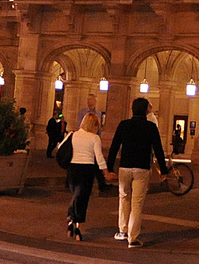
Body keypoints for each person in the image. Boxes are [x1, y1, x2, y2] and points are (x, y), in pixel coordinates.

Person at [107, 97, 169, 247]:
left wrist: (109, 168)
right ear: (146, 110)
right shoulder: (150, 127)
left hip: (125, 167)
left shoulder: (124, 125)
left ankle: (122, 230)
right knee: (137, 203)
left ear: (132, 109)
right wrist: (163, 170)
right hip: (142, 168)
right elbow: (158, 150)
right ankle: (132, 238)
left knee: (124, 198)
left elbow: (114, 147)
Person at [63, 112, 113, 241]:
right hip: (87, 169)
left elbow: (60, 147)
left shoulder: (73, 134)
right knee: (82, 198)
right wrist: (105, 172)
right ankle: (77, 226)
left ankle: (70, 220)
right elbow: (99, 157)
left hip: (73, 168)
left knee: (76, 195)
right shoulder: (94, 138)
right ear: (95, 125)